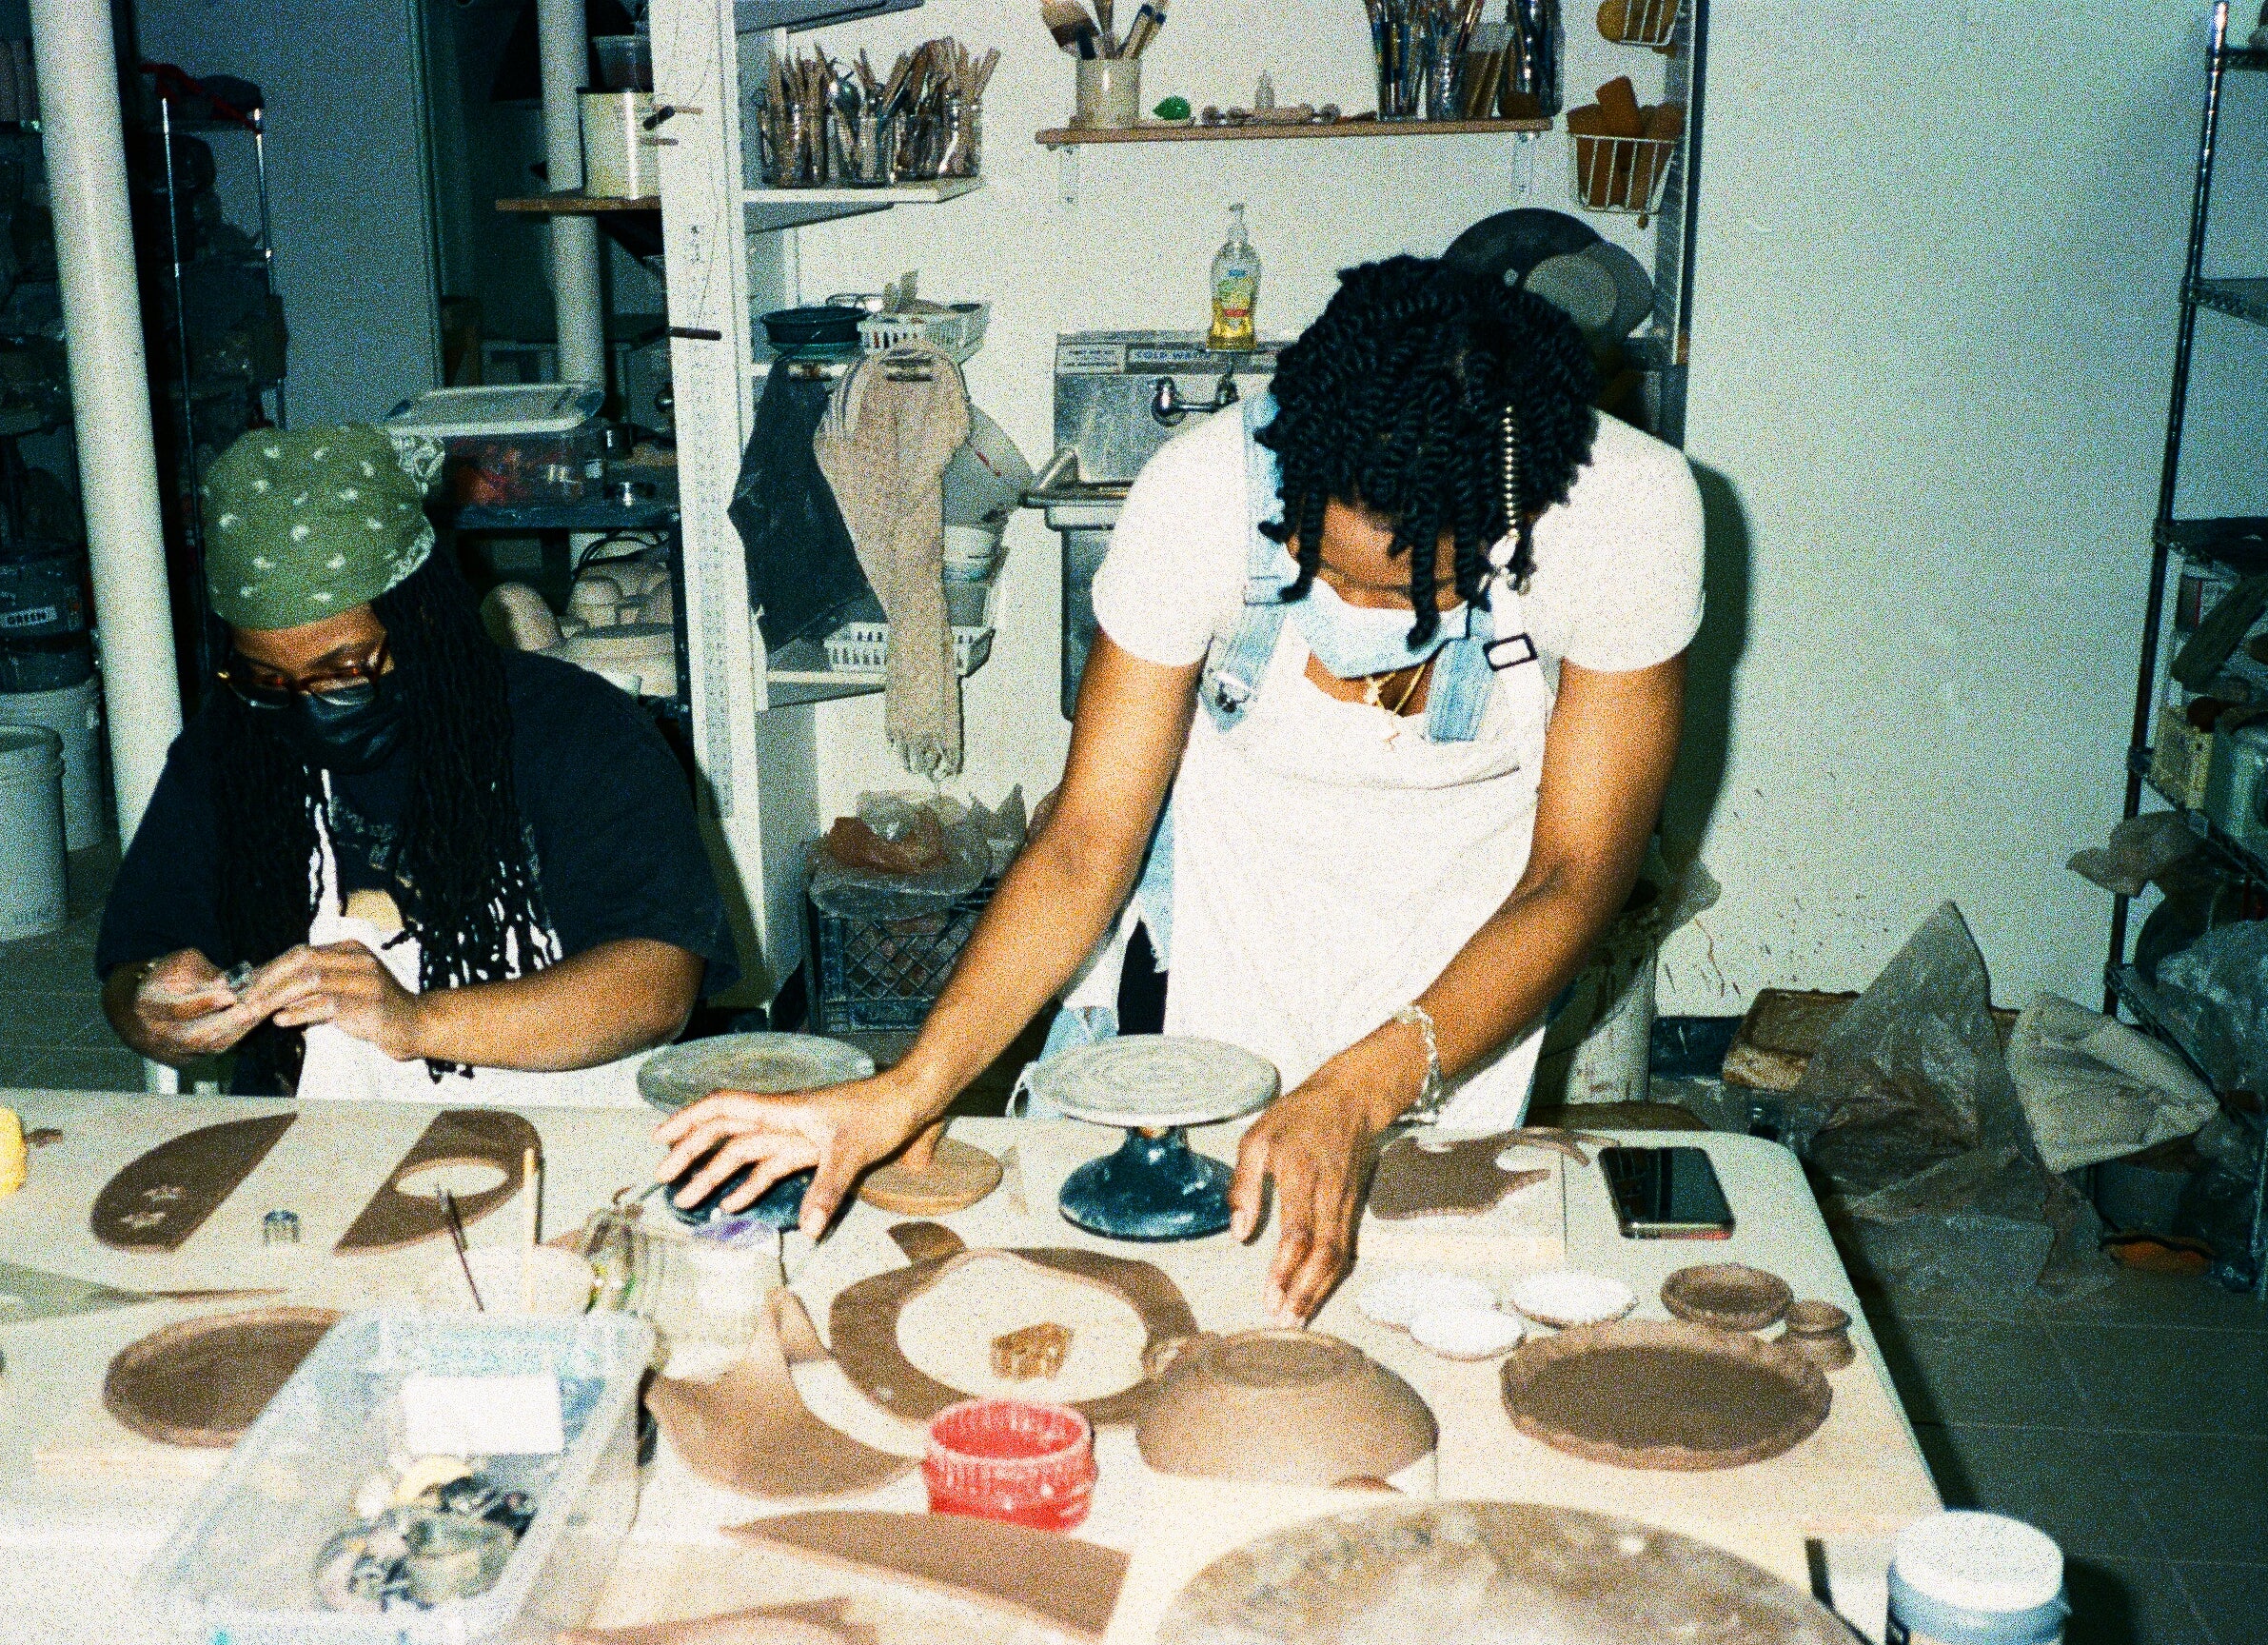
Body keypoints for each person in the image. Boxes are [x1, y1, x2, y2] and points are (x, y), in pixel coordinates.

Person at [658, 253, 1704, 1317]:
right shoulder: (1205, 491)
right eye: (1320, 565)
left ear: (1501, 526)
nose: (1347, 609)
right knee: (1192, 1274)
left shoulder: (1624, 514)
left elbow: (1575, 873)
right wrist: (910, 1084)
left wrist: (1364, 1083)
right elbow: (1084, 839)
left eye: (1397, 593)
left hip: (1475, 935)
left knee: (1421, 1270)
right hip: (1232, 905)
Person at [97, 424, 737, 1102]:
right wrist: (149, 1006)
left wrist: (414, 1018)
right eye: (268, 679)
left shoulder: (577, 730)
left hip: (562, 1133)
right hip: (327, 1140)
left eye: (343, 669)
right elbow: (131, 967)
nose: (307, 706)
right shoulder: (231, 746)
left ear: (422, 620)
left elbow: (655, 987)